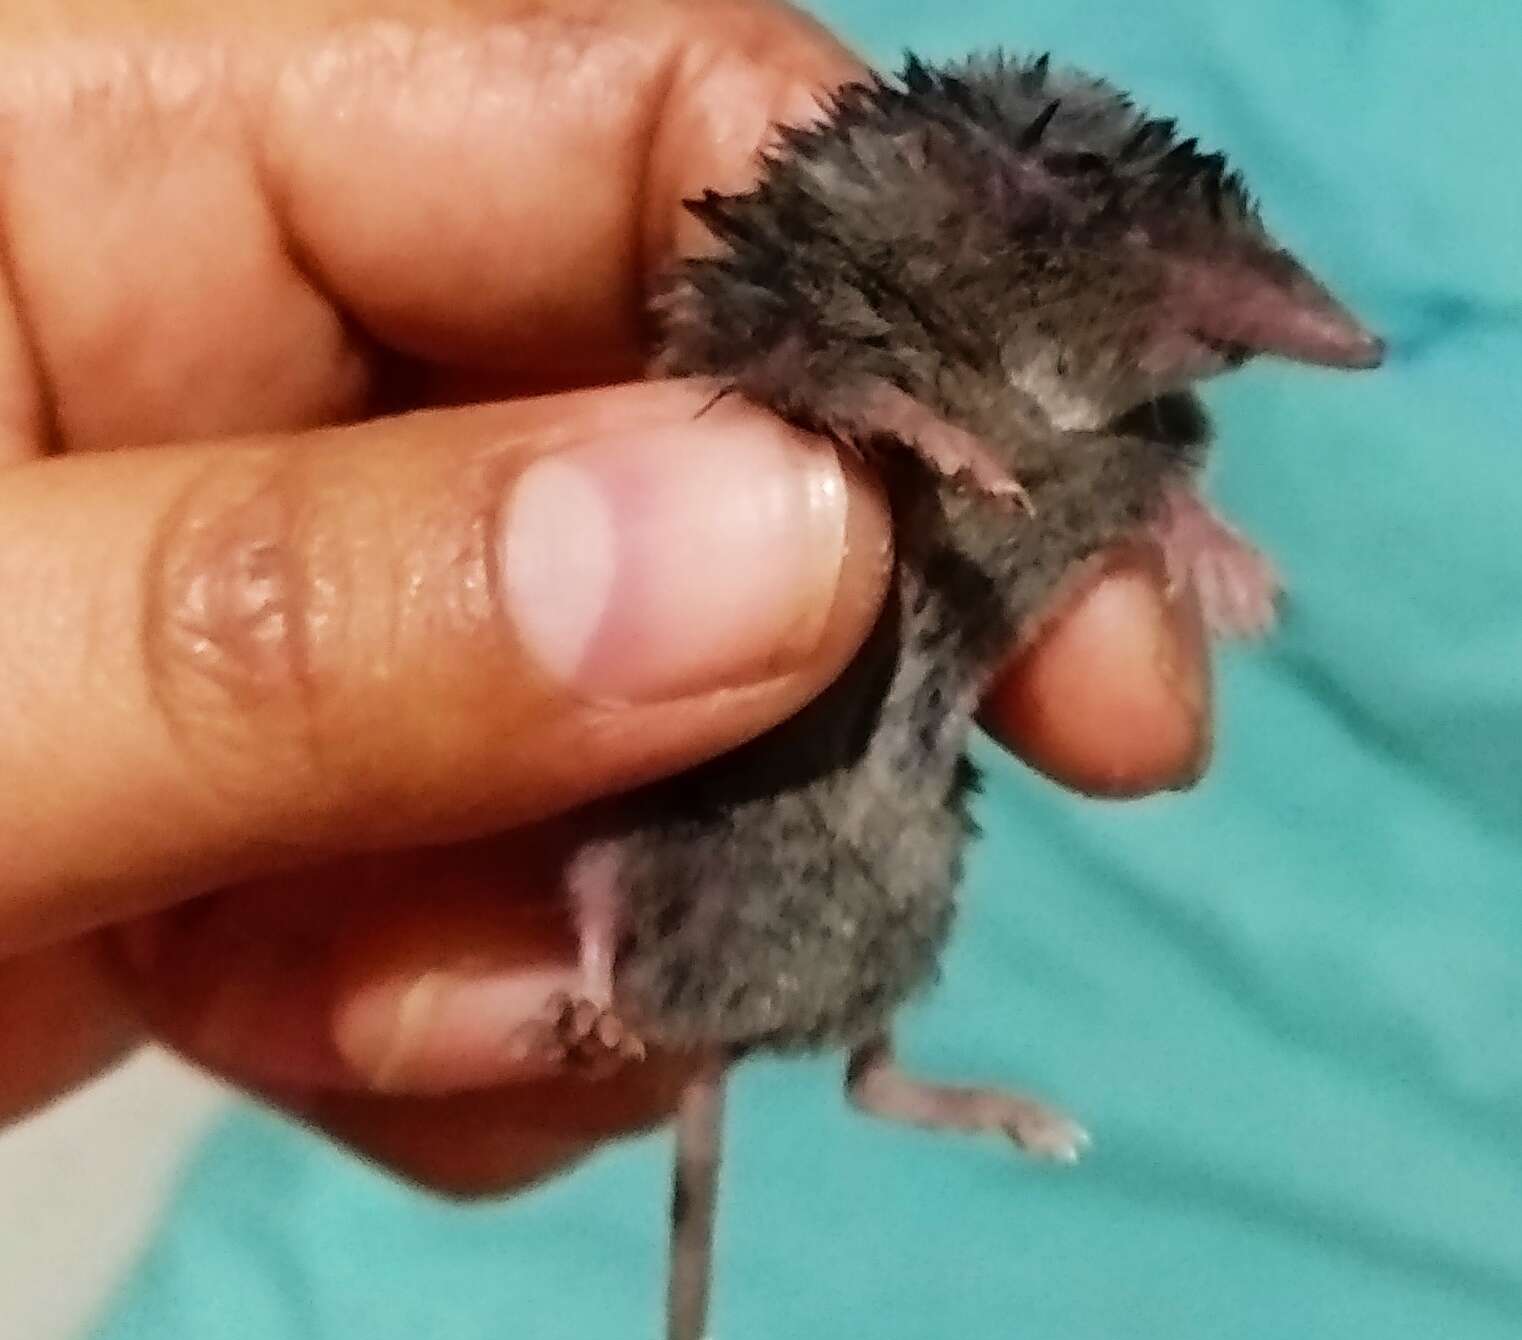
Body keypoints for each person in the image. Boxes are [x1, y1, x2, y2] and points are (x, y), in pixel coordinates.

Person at [0, 0, 1212, 1197]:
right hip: (720, 821)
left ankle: (877, 1066)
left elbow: (1135, 470)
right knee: (638, 843)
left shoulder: (1081, 414)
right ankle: (681, 998)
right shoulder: (830, 316)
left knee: (872, 894)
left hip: (870, 831)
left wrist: (1178, 515)